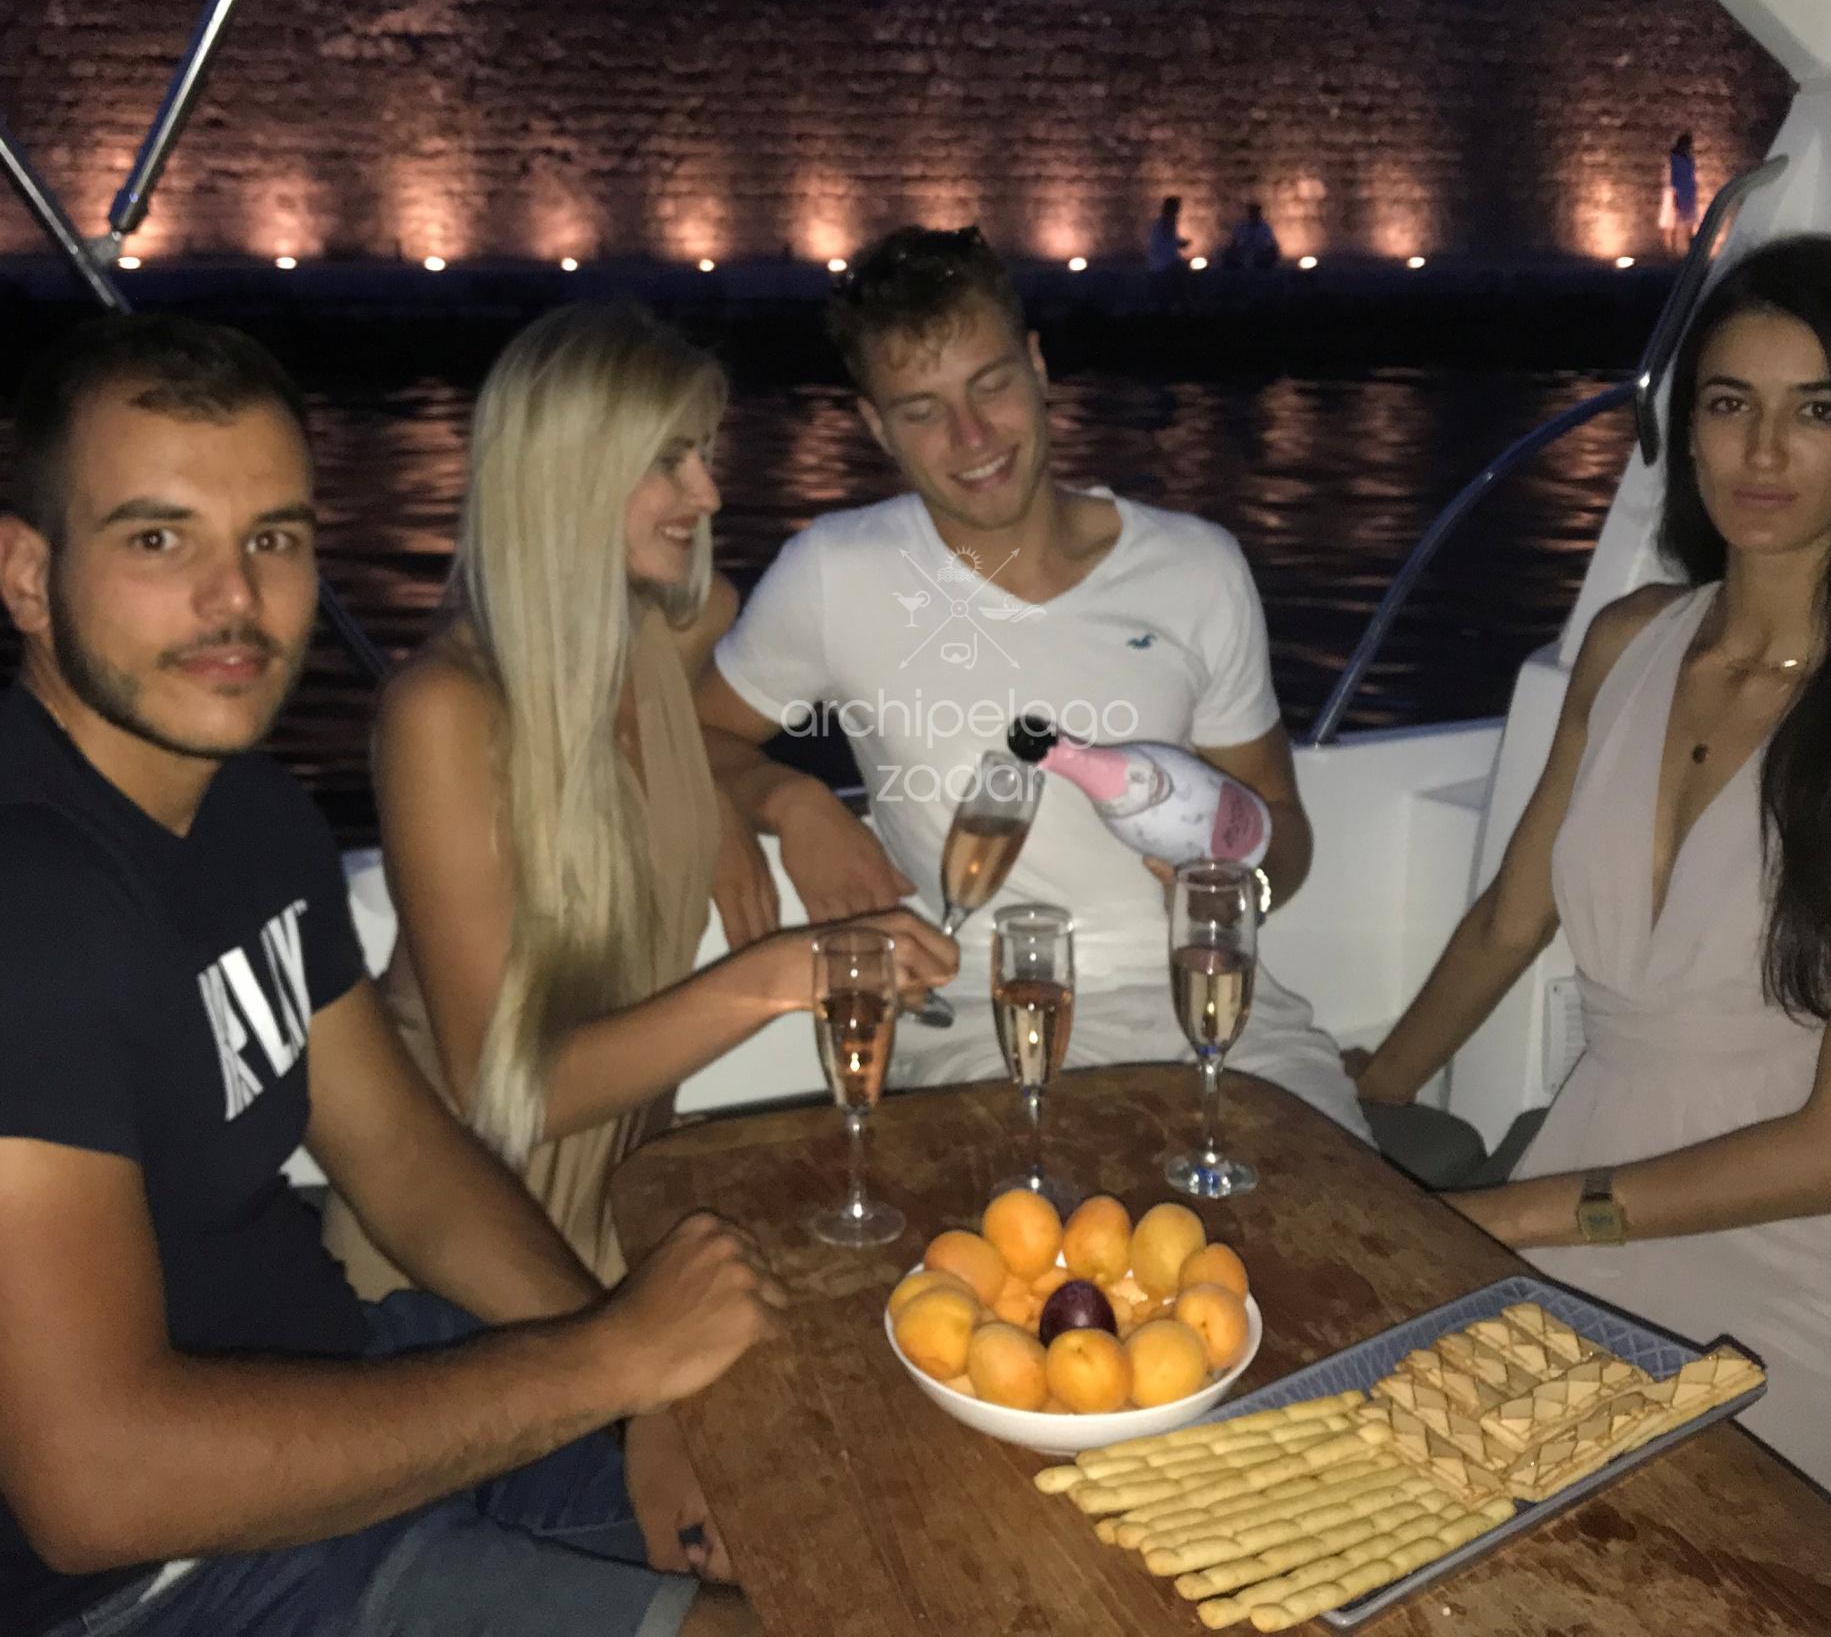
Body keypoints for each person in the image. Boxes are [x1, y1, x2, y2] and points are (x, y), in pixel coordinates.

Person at [0, 313, 783, 1637]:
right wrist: (605, 1360)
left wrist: (644, 1390)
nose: (233, 601)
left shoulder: (249, 820)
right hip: (163, 1584)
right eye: (156, 539)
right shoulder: (32, 905)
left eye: (274, 540)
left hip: (363, 1395)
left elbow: (409, 1162)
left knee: (821, 1496)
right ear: (27, 576)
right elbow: (97, 1486)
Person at [1349, 235, 1831, 1537]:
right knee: (1363, 1474)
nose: (1762, 454)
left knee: (1602, 1538)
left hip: (1801, 1255)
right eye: (1731, 406)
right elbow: (1511, 917)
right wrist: (1365, 1095)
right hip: (1586, 1171)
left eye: (1815, 411)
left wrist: (1513, 1214)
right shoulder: (1627, 642)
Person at [323, 301, 952, 1303]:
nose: (707, 490)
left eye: (704, 452)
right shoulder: (442, 712)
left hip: (629, 1209)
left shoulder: (679, 624)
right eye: (670, 459)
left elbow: (671, 749)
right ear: (568, 474)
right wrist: (786, 973)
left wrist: (775, 794)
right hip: (463, 1256)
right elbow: (506, 1093)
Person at [693, 225, 1368, 1142]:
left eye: (992, 384)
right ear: (875, 427)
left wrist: (1232, 890)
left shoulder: (1196, 566)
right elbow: (689, 730)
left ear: (1039, 367)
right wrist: (791, 800)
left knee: (1344, 1236)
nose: (972, 438)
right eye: (922, 409)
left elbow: (1280, 825)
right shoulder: (832, 573)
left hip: (1210, 999)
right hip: (978, 1016)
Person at [1661, 131, 1699, 256]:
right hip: (1676, 192)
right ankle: (1670, 251)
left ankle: (1691, 251)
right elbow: (1672, 178)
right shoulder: (1674, 158)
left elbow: (1691, 176)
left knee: (1689, 221)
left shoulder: (1689, 159)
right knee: (1672, 223)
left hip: (1688, 192)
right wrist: (1674, 196)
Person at [1224, 203, 1280, 272]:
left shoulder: (1265, 228)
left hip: (1261, 255)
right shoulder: (1241, 227)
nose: (1254, 215)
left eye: (1256, 213)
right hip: (1243, 255)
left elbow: (1269, 244)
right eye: (1252, 213)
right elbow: (1235, 242)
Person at [1146, 196, 1190, 274]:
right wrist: (1180, 243)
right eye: (1177, 207)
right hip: (1164, 266)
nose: (1179, 210)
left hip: (1163, 265)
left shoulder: (1163, 223)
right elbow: (1167, 244)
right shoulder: (1165, 223)